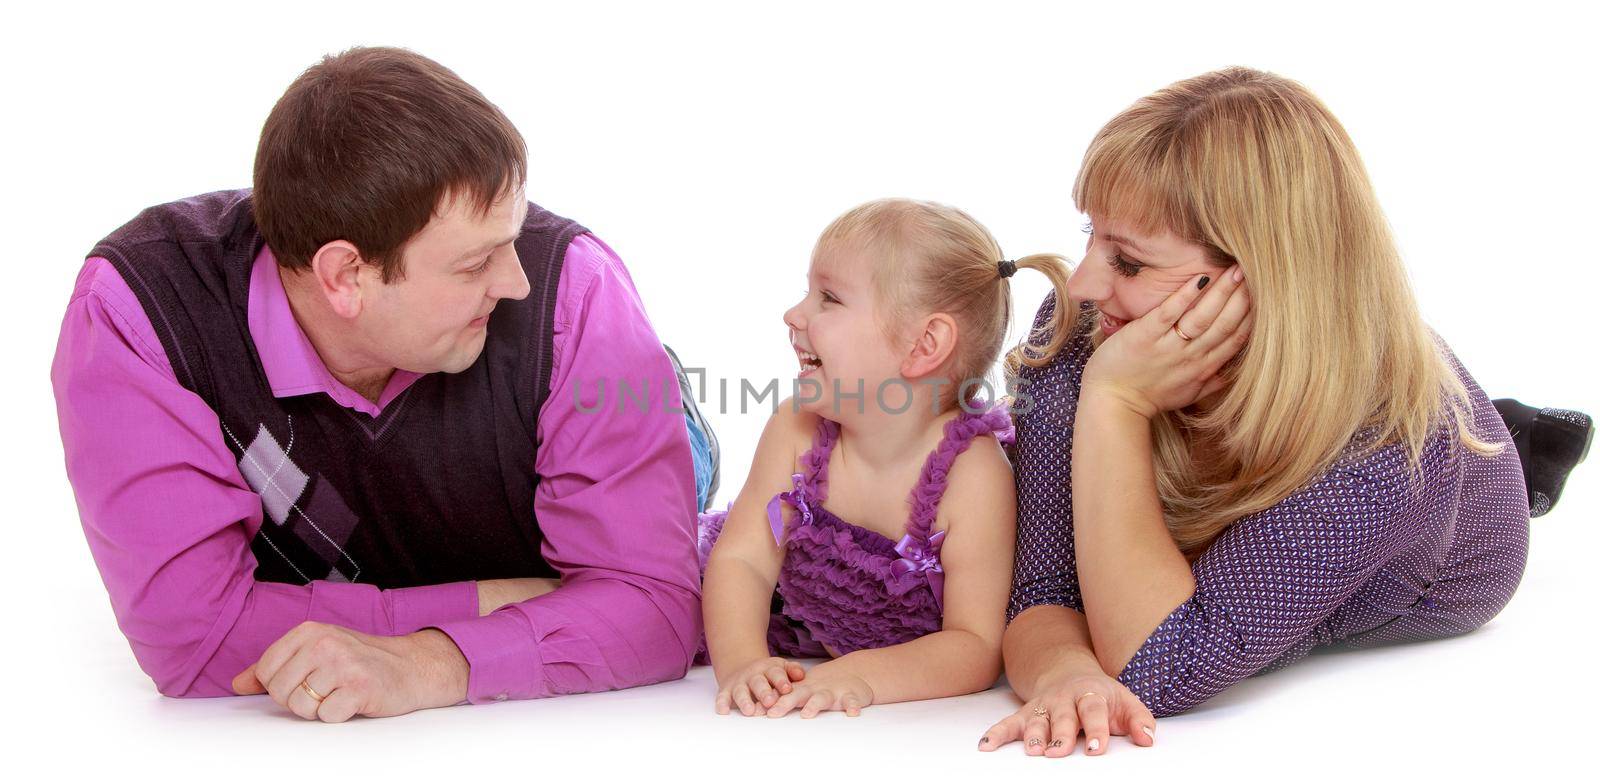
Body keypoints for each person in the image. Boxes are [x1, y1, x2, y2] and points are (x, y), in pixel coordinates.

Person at [51, 46, 716, 722]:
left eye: (510, 239)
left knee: (674, 446)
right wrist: (506, 602)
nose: (515, 281)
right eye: (477, 260)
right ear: (346, 277)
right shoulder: (139, 313)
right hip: (438, 530)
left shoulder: (574, 295)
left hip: (601, 404)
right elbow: (197, 638)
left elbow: (656, 606)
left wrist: (429, 661)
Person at [980, 67, 1588, 758]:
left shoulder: (1386, 450)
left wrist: (1116, 402)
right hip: (1244, 464)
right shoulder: (1087, 324)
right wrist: (1065, 669)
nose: (1083, 281)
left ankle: (1521, 437)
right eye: (1091, 233)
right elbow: (1045, 584)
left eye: (1129, 260)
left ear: (1261, 277)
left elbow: (1159, 662)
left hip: (1430, 555)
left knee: (1473, 445)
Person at [697, 199, 1062, 718]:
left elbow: (975, 645)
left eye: (828, 298)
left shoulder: (972, 475)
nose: (794, 314)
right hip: (796, 617)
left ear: (923, 345)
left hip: (875, 650)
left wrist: (862, 676)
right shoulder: (797, 428)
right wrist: (744, 665)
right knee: (668, 594)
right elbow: (743, 560)